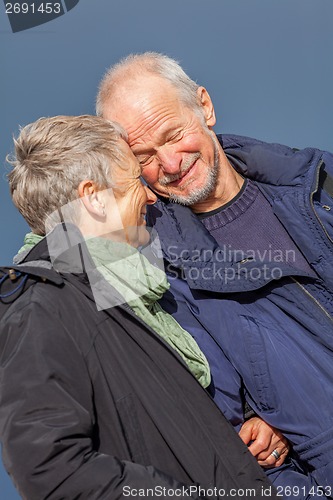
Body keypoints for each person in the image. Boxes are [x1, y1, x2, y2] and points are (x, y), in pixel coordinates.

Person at [0, 115, 279, 500]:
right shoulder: (44, 303)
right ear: (94, 197)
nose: (151, 196)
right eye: (135, 180)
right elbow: (50, 468)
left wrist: (241, 432)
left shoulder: (129, 294)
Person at [96, 52, 333, 494]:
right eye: (143, 155)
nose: (169, 163)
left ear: (204, 106)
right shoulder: (154, 272)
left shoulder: (320, 180)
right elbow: (215, 432)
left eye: (173, 134)